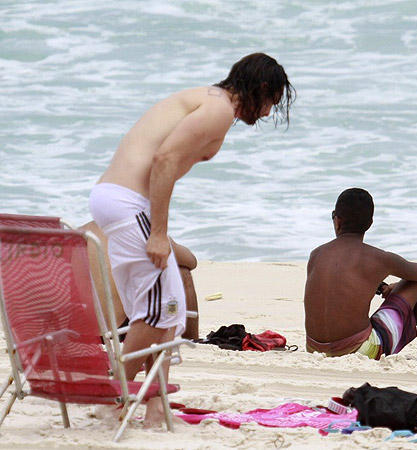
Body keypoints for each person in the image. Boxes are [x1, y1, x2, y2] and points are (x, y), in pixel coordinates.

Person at [88, 53, 294, 425]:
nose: (266, 114)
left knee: (168, 309)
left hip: (124, 201)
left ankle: (155, 403)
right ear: (261, 89)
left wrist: (156, 226)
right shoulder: (218, 108)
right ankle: (116, 394)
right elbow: (165, 159)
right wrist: (159, 233)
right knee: (156, 311)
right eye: (270, 104)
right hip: (126, 201)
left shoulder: (213, 102)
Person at [304, 188, 417, 360]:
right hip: (359, 351)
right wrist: (401, 284)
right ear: (370, 223)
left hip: (314, 349)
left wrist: (381, 286)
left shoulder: (316, 254)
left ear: (337, 221)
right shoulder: (379, 259)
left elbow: (343, 282)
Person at [80, 221, 200, 340]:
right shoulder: (137, 229)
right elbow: (191, 261)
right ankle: (191, 340)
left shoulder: (79, 232)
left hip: (82, 329)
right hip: (124, 328)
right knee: (183, 272)